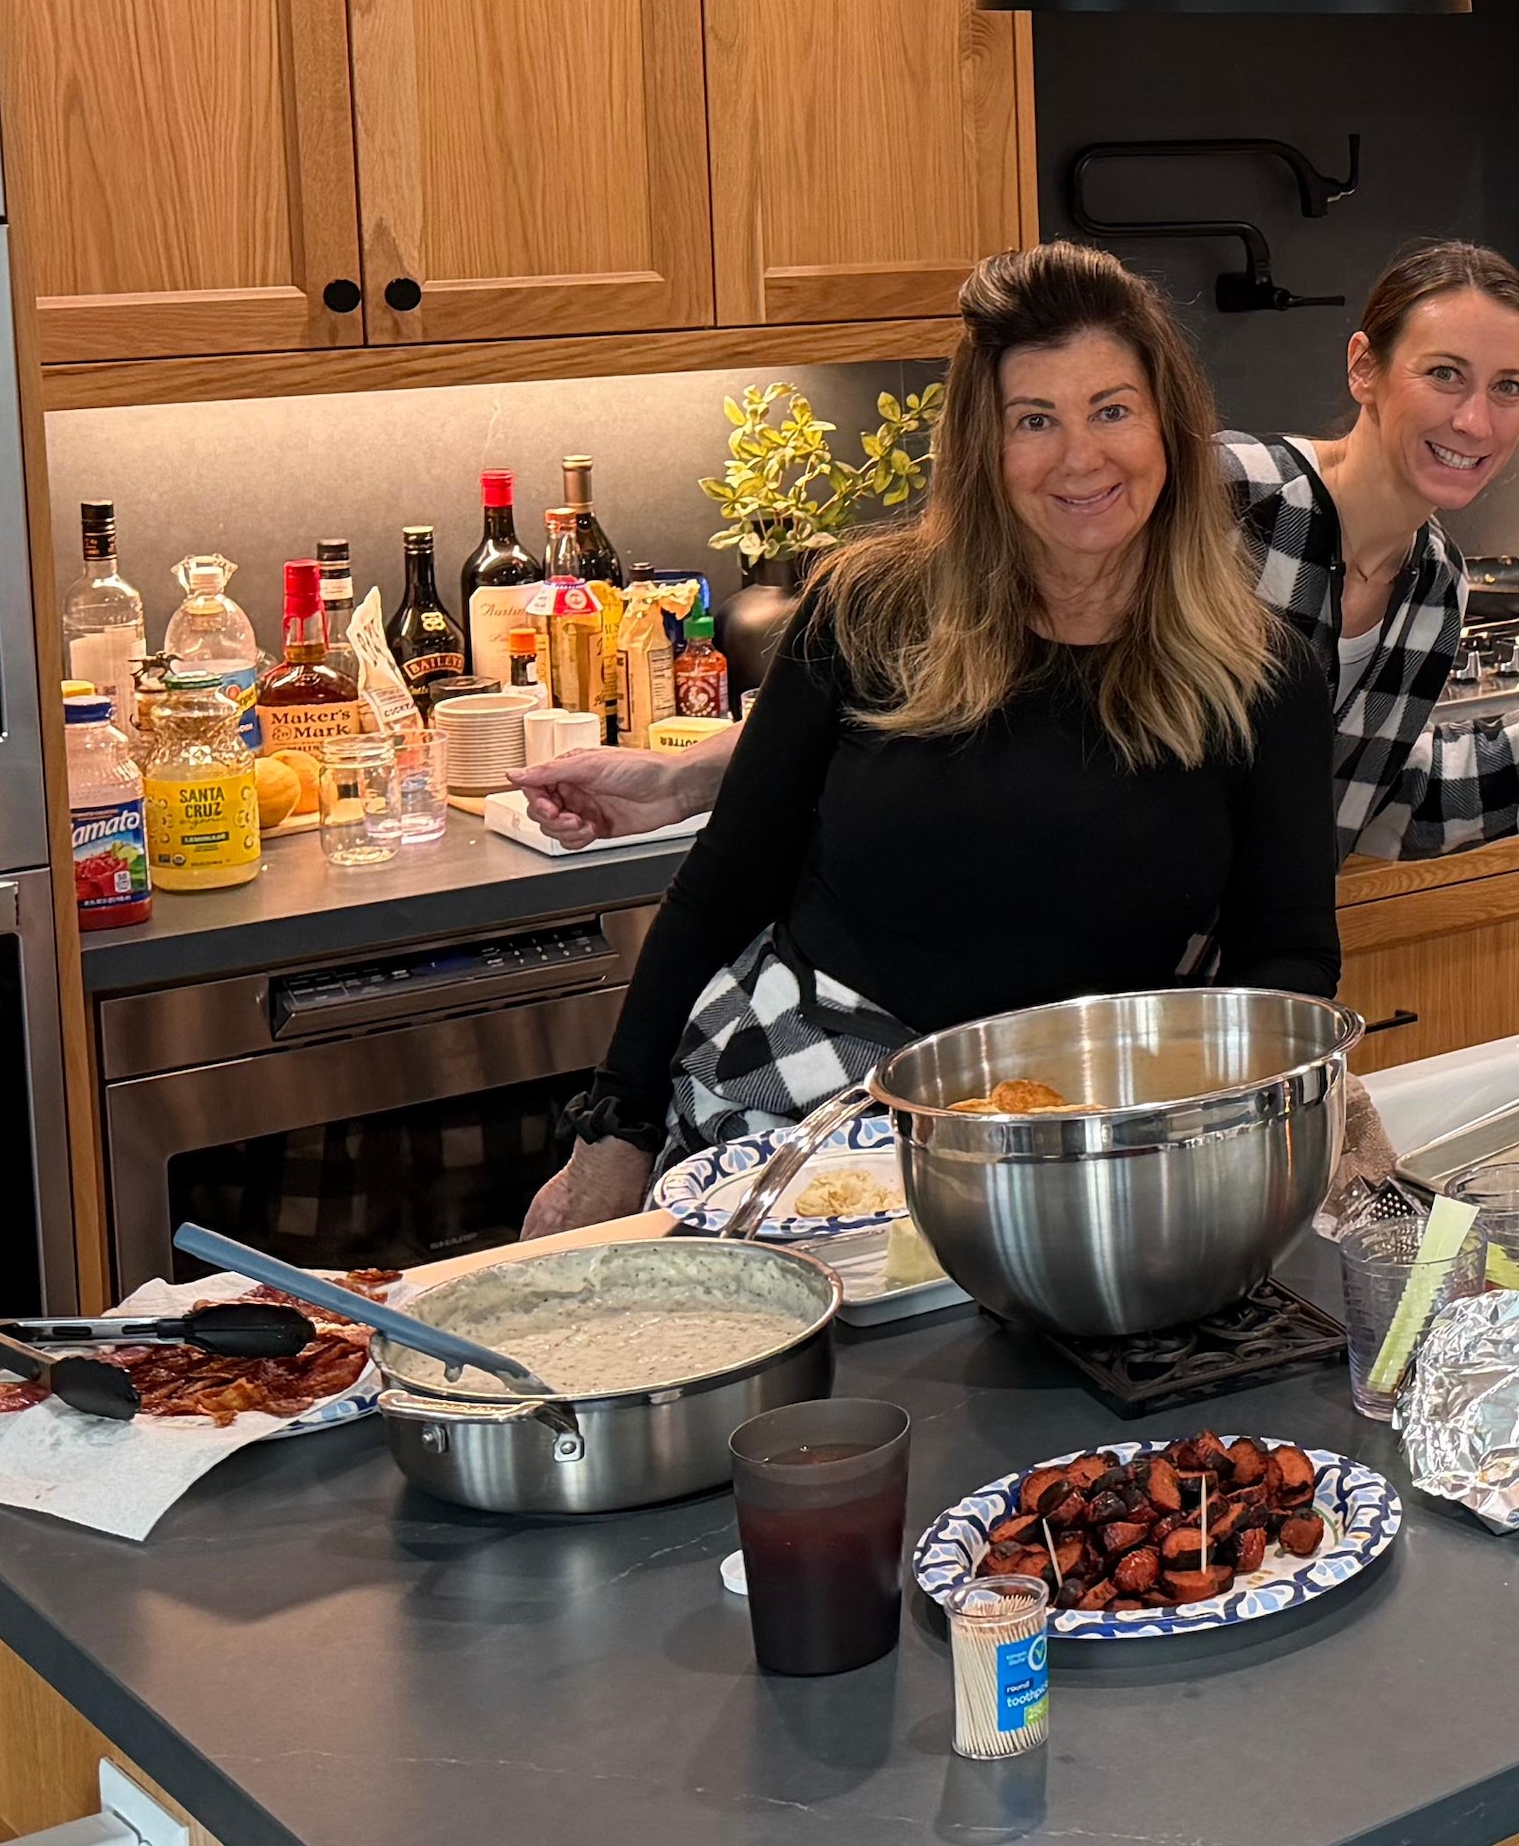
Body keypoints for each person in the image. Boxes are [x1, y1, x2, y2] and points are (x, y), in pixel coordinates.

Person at [517, 245, 1341, 1230]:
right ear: (981, 449)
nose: (1080, 457)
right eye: (1033, 420)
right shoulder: (867, 613)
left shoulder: (1262, 675)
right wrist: (611, 1135)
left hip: (1081, 1134)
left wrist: (1255, 1128)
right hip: (796, 1107)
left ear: (1169, 426)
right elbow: (720, 889)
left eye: (1111, 410)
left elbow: (1285, 959)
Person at [509, 241, 1519, 859]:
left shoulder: (1432, 588)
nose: (1476, 418)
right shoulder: (1219, 495)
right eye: (1444, 374)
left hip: (1209, 997)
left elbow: (1355, 810)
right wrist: (682, 782)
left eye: (1509, 387)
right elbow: (937, 667)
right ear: (1365, 369)